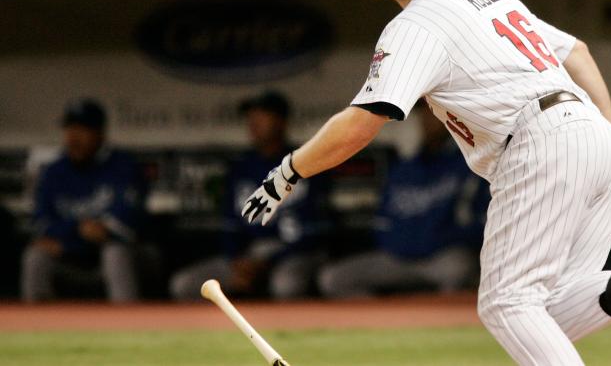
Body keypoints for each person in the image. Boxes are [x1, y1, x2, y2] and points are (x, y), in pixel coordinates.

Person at [240, 0, 611, 364]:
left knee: (506, 303)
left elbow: (364, 122)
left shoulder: (419, 22)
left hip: (539, 144)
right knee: (549, 311)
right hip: (589, 138)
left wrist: (288, 170)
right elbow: (576, 51)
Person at [169, 91, 330, 300]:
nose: (254, 122)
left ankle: (291, 332)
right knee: (184, 284)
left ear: (281, 121)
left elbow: (313, 234)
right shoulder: (240, 169)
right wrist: (237, 261)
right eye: (251, 116)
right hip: (248, 256)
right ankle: (216, 332)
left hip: (293, 253)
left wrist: (267, 262)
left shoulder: (305, 162)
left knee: (286, 285)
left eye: (263, 115)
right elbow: (230, 227)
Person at [318, 101, 488, 297]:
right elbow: (382, 225)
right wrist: (404, 245)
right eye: (424, 113)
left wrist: (435, 240)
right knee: (333, 278)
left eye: (435, 114)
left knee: (460, 269)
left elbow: (480, 223)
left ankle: (439, 321)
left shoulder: (470, 164)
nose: (428, 120)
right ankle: (386, 323)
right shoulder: (403, 169)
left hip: (440, 259)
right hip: (397, 258)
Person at [21, 98, 144, 302]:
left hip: (122, 255)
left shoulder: (123, 167)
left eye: (82, 129)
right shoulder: (54, 172)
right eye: (70, 128)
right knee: (35, 256)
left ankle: (127, 324)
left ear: (100, 133)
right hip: (69, 257)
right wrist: (77, 231)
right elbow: (41, 223)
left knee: (114, 253)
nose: (74, 136)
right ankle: (35, 327)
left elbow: (127, 223)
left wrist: (87, 235)